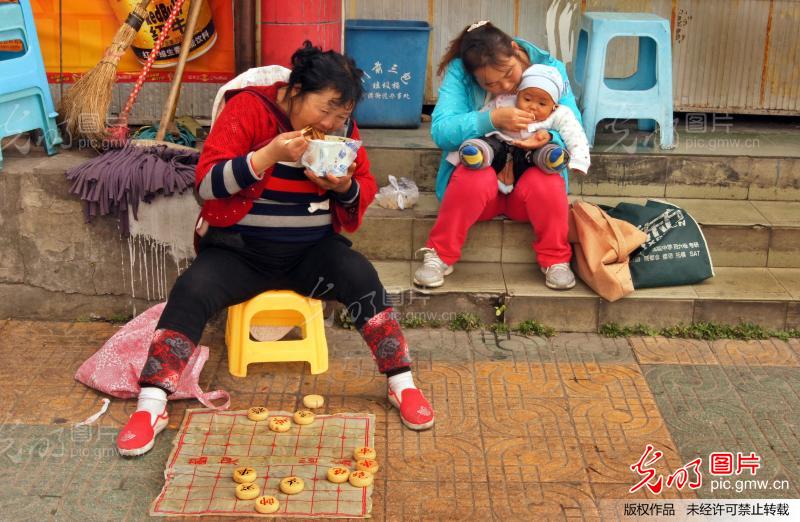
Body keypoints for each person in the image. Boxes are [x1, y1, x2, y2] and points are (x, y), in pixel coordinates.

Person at [117, 42, 435, 457]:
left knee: (361, 276)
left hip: (311, 255)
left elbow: (365, 186)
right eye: (326, 110)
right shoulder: (249, 109)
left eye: (342, 116)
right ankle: (152, 404)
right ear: (296, 87)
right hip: (239, 253)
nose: (334, 123)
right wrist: (267, 155)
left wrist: (344, 187)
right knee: (192, 290)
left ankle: (402, 383)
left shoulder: (341, 129)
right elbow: (206, 185)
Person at [413, 21, 583, 291]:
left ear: (515, 50)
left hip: (527, 193)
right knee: (472, 177)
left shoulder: (551, 69)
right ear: (475, 78)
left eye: (508, 73)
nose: (504, 86)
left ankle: (556, 260)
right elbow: (441, 132)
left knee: (547, 181)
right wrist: (490, 119)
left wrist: (549, 138)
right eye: (490, 83)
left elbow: (573, 124)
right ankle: (439, 255)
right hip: (482, 194)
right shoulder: (460, 72)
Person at [452, 63, 590, 194]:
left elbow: (575, 133)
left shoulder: (559, 113)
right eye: (527, 99)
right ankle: (475, 154)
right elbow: (482, 118)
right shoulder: (504, 102)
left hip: (528, 154)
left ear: (554, 105)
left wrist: (579, 160)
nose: (533, 106)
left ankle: (552, 159)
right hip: (500, 147)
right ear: (518, 94)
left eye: (542, 103)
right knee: (488, 142)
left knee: (545, 150)